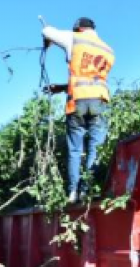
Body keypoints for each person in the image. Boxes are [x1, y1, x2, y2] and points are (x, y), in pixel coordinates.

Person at [42, 17, 115, 203]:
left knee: (75, 150)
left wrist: (48, 41)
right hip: (100, 101)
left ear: (78, 29)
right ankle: (86, 190)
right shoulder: (108, 50)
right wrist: (61, 87)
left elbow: (47, 31)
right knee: (95, 148)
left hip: (77, 102)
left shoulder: (75, 38)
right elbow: (90, 78)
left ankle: (73, 192)